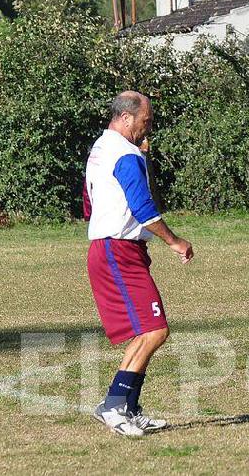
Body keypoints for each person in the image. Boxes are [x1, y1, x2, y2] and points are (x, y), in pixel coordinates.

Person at [83, 91, 195, 436]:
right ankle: (113, 405)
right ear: (127, 117)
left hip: (114, 248)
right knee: (154, 330)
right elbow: (143, 209)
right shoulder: (125, 153)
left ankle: (129, 408)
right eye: (145, 121)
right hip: (118, 251)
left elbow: (88, 202)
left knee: (148, 330)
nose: (148, 128)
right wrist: (175, 241)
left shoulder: (101, 147)